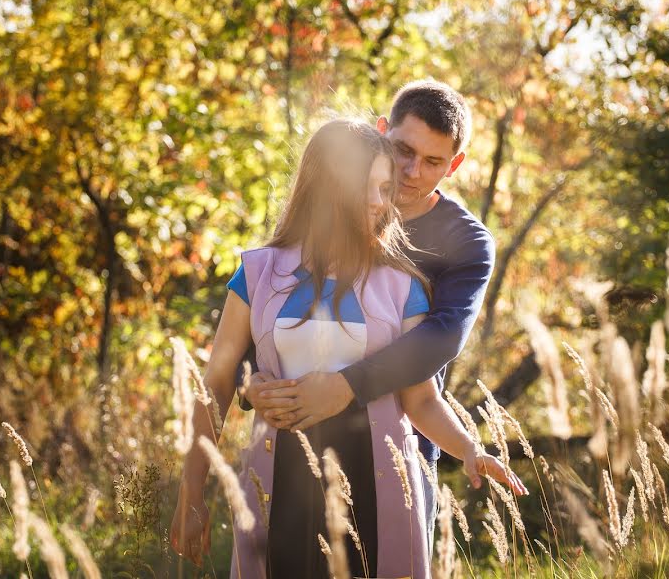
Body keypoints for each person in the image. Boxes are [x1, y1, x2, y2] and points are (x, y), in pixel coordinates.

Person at [170, 118, 525, 579]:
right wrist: (191, 491)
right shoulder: (257, 273)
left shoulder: (403, 286)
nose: (384, 202)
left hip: (376, 492)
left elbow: (420, 400)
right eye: (371, 187)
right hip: (278, 488)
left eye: (385, 186)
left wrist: (469, 448)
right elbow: (215, 384)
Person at [241, 79, 502, 551]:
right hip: (289, 441)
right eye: (403, 150)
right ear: (382, 132)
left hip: (400, 443)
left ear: (455, 165)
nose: (411, 171)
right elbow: (262, 318)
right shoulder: (327, 214)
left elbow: (442, 338)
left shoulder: (465, 241)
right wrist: (253, 386)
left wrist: (346, 387)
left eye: (433, 162)